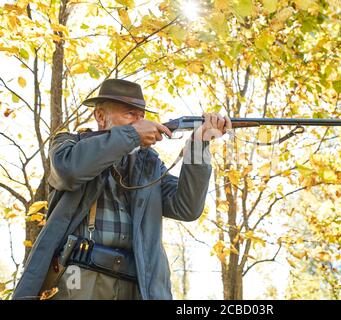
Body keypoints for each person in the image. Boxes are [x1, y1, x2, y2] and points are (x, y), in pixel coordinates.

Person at [12, 79, 231, 300]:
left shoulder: (149, 162)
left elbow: (186, 208)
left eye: (141, 115)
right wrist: (132, 136)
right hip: (81, 280)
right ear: (99, 116)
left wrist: (198, 146)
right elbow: (69, 171)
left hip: (138, 285)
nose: (139, 121)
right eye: (129, 114)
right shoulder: (69, 145)